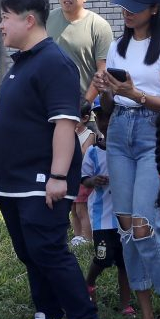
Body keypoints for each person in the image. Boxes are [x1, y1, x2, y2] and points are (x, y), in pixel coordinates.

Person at [0, 0, 104, 319]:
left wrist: (57, 177)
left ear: (28, 20)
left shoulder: (53, 62)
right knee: (29, 252)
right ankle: (48, 312)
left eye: (5, 17)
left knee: (49, 250)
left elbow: (65, 124)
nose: (0, 25)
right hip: (14, 181)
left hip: (42, 179)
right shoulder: (23, 62)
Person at [91, 0, 160, 319]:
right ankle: (146, 313)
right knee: (127, 225)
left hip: (154, 133)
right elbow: (112, 101)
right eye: (123, 6)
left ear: (154, 9)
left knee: (147, 226)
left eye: (134, 7)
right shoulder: (118, 46)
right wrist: (107, 90)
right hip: (119, 132)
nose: (126, 13)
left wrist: (134, 94)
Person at [81, 101, 134, 316]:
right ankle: (89, 283)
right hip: (102, 217)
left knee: (124, 261)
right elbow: (84, 180)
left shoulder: (128, 151)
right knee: (103, 257)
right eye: (101, 117)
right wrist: (94, 180)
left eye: (110, 117)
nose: (106, 122)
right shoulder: (93, 152)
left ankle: (126, 304)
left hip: (124, 217)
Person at [46, 0, 114, 104]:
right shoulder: (46, 19)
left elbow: (102, 70)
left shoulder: (99, 26)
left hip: (84, 107)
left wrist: (86, 103)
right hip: (49, 104)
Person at [70, 102, 97, 249]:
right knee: (73, 209)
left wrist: (71, 139)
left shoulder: (89, 135)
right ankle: (77, 235)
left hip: (83, 177)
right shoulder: (69, 133)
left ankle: (87, 236)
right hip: (71, 177)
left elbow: (84, 154)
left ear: (85, 118)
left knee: (82, 209)